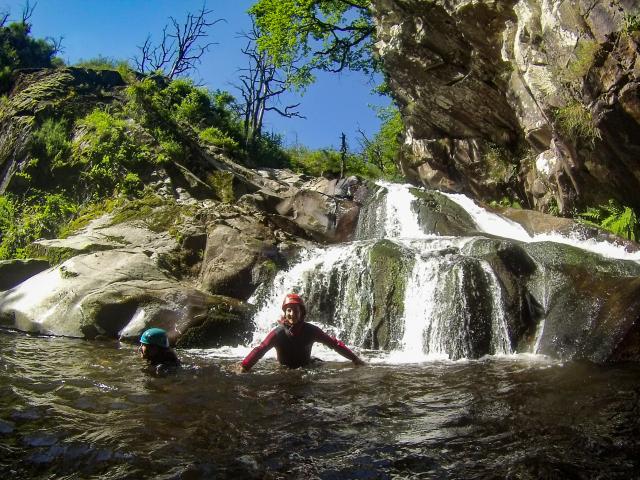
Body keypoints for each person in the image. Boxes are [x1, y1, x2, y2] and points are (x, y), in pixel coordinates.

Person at [239, 293, 365, 372]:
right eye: (289, 310)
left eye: (295, 310)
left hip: (308, 367)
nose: (292, 314)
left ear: (302, 313)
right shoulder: (278, 333)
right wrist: (244, 366)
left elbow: (334, 344)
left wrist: (355, 359)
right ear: (285, 313)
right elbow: (261, 349)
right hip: (285, 370)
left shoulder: (311, 331)